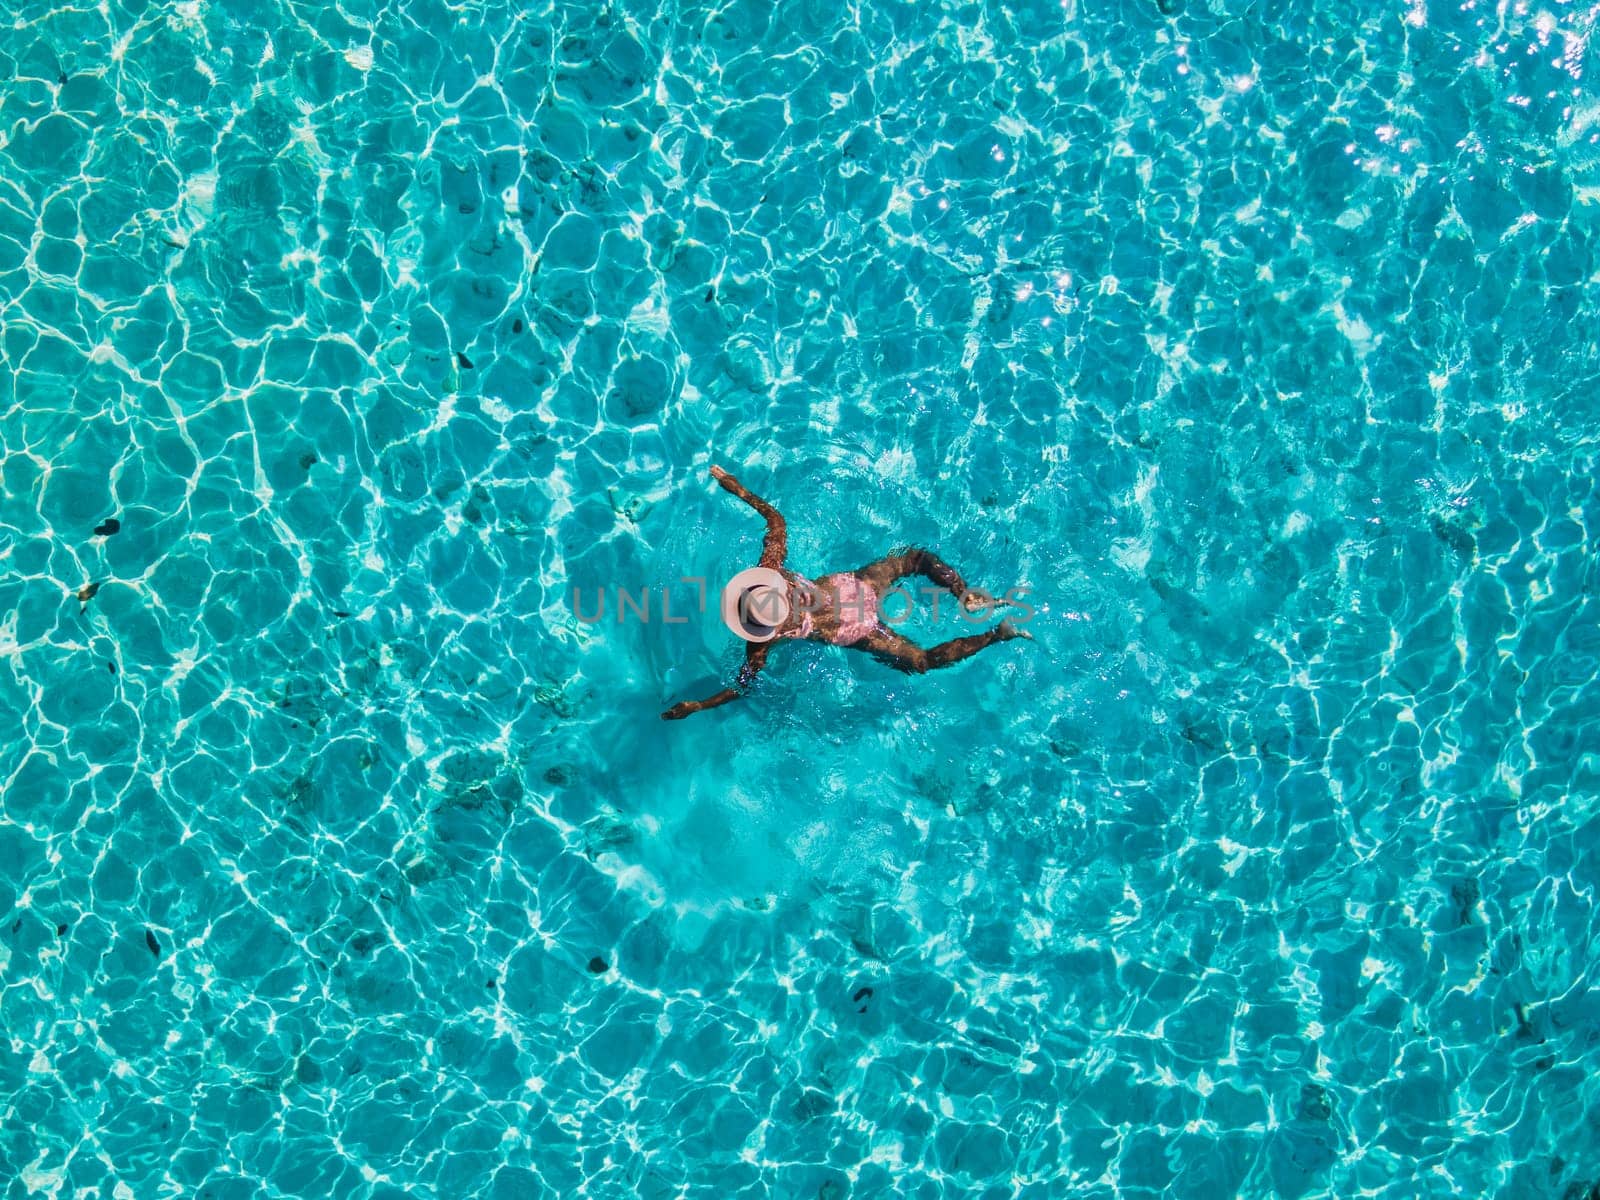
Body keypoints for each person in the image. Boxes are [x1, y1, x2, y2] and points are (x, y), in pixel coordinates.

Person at [661, 465, 1030, 719]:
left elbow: (742, 686)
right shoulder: (771, 569)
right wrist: (733, 485)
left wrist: (700, 706)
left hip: (854, 631)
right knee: (914, 559)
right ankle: (964, 594)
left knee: (920, 661)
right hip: (856, 585)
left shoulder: (760, 643)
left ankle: (997, 634)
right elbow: (776, 520)